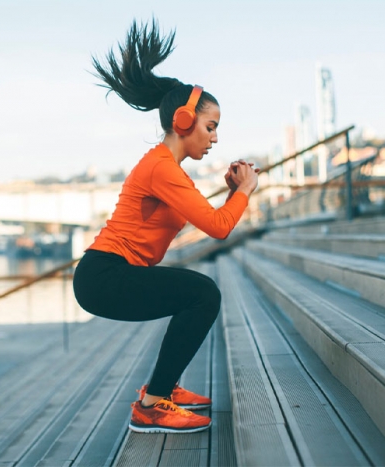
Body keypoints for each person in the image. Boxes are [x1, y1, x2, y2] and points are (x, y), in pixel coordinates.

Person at [73, 19, 259, 435]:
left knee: (195, 294)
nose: (213, 139)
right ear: (183, 121)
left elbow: (212, 218)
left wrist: (233, 194)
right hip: (104, 275)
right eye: (210, 127)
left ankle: (162, 391)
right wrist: (245, 190)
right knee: (202, 293)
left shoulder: (168, 170)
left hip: (110, 273)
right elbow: (218, 228)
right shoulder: (162, 168)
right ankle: (153, 405)